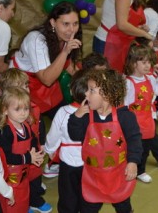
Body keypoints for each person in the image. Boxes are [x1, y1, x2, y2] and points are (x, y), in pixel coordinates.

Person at [68, 69, 142, 213]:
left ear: (107, 94)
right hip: (93, 177)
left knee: (122, 205)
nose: (86, 94)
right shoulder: (85, 115)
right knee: (88, 207)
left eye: (91, 90)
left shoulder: (125, 116)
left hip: (118, 175)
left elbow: (135, 140)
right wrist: (76, 117)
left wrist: (133, 162)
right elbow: (75, 135)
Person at [10, 1, 82, 118]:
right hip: (24, 87)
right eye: (65, 24)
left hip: (48, 85)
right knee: (33, 129)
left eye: (75, 24)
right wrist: (65, 51)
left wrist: (89, 82)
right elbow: (47, 79)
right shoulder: (37, 39)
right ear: (53, 22)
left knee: (65, 120)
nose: (71, 30)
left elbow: (69, 66)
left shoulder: (64, 36)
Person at [0, 68, 51, 213]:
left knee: (31, 181)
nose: (25, 89)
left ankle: (31, 201)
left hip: (28, 160)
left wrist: (39, 149)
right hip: (14, 169)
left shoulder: (29, 114)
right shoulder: (5, 130)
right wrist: (28, 156)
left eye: (26, 85)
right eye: (20, 87)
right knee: (17, 190)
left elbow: (37, 132)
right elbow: (5, 155)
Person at [93, 0, 155, 72]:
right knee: (106, 83)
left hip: (118, 42)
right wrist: (143, 34)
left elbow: (122, 21)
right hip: (106, 42)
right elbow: (121, 24)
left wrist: (137, 28)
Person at [124, 43, 158, 183]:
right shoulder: (128, 82)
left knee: (145, 149)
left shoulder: (150, 78)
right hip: (133, 121)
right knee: (132, 148)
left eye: (149, 62)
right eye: (143, 62)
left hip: (148, 119)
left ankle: (140, 171)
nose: (147, 65)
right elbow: (123, 105)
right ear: (133, 63)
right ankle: (129, 168)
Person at [45, 70, 88, 213]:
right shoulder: (96, 112)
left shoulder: (63, 112)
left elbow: (53, 135)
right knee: (87, 193)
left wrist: (50, 150)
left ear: (70, 90)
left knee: (67, 194)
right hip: (89, 162)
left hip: (67, 162)